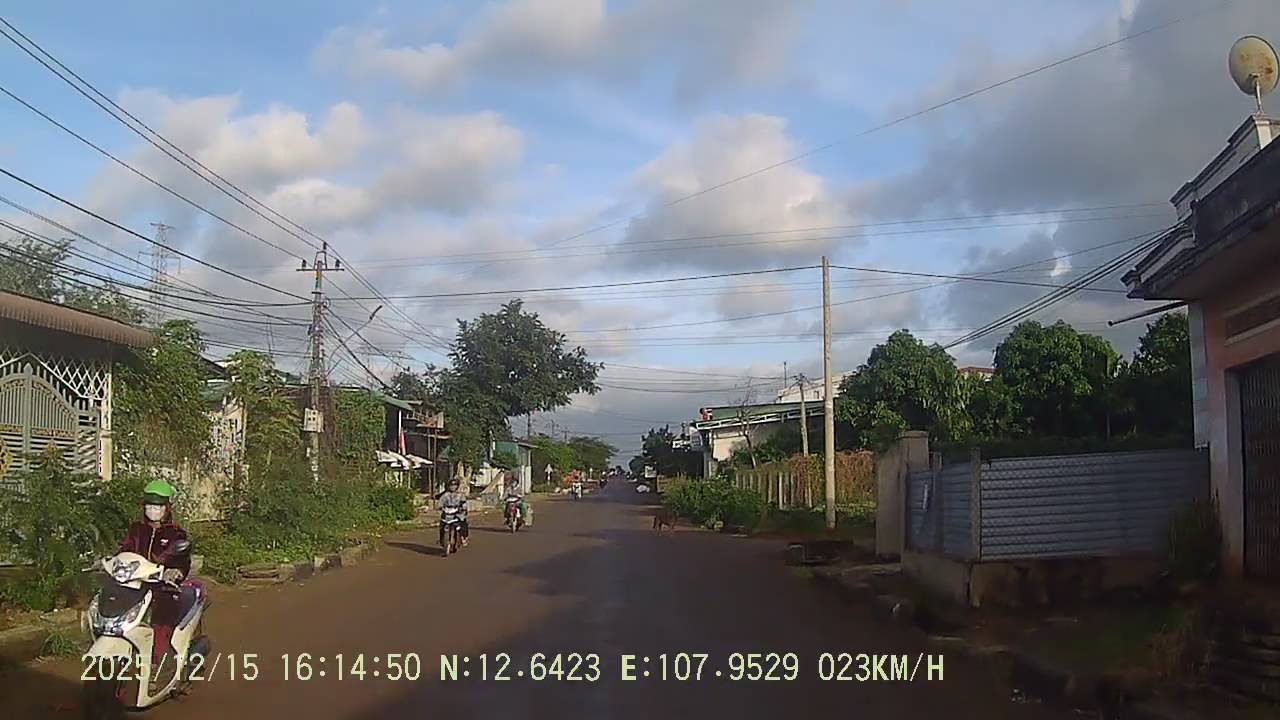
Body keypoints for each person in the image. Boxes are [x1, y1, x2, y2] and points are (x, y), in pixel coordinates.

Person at [118, 479, 189, 681]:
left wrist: (175, 573)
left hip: (164, 588)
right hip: (135, 585)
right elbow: (125, 550)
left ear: (167, 508)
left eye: (158, 507)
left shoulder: (176, 533)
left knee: (162, 616)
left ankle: (161, 663)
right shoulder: (136, 529)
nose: (153, 510)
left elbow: (183, 561)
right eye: (149, 506)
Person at [436, 478, 469, 547]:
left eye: (454, 485)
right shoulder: (445, 495)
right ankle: (441, 539)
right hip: (447, 513)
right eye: (451, 485)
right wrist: (440, 507)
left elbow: (464, 503)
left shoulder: (460, 495)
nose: (453, 487)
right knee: (442, 525)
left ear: (457, 486)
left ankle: (463, 538)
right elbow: (440, 503)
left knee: (463, 523)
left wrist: (463, 508)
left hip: (457, 514)